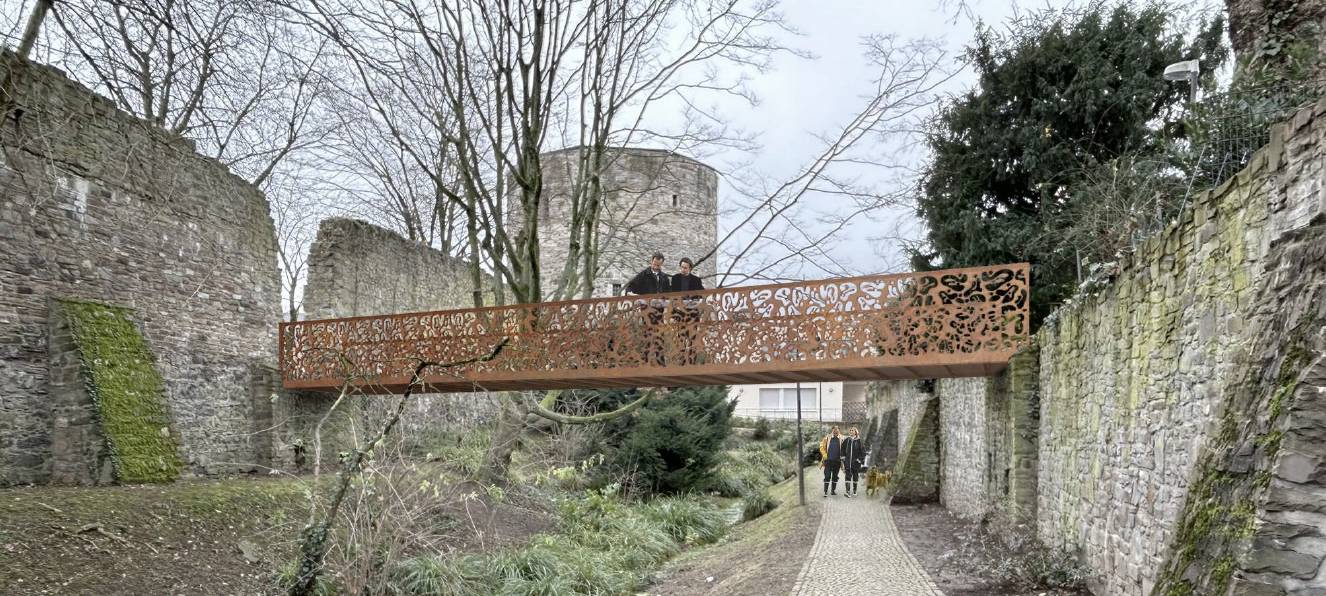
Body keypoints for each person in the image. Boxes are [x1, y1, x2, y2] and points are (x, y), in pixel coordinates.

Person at [625, 252, 671, 364]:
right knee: (647, 334)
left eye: (658, 265)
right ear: (651, 261)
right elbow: (629, 288)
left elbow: (668, 294)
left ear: (661, 265)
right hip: (646, 310)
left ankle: (661, 363)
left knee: (659, 335)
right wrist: (635, 297)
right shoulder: (644, 274)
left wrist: (665, 301)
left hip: (659, 310)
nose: (656, 267)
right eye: (654, 264)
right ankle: (645, 362)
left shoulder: (664, 277)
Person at [670, 257, 704, 365]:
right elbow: (672, 295)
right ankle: (682, 361)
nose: (683, 269)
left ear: (690, 268)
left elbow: (701, 294)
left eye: (685, 268)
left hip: (692, 314)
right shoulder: (675, 278)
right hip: (679, 313)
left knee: (692, 338)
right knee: (681, 338)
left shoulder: (696, 280)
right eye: (682, 267)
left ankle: (692, 362)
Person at [818, 426, 843, 497]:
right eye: (834, 429)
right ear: (832, 430)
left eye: (837, 429)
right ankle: (825, 491)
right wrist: (825, 455)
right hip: (828, 461)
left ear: (839, 431)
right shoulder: (827, 438)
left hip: (837, 462)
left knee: (835, 477)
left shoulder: (841, 439)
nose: (835, 431)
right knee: (827, 476)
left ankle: (833, 491)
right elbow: (821, 447)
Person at [841, 426, 865, 497]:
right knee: (847, 476)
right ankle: (847, 492)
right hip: (848, 462)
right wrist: (843, 458)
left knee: (855, 476)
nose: (851, 431)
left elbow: (863, 452)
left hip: (856, 463)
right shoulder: (847, 440)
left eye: (853, 430)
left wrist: (860, 459)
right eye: (850, 430)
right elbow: (842, 449)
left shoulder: (859, 441)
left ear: (856, 432)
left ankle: (855, 491)